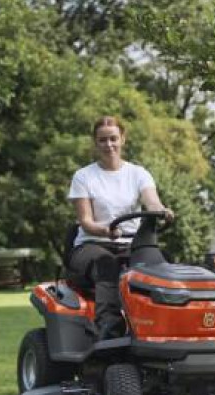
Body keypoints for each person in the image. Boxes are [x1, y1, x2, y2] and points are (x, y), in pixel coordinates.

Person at [67, 116, 174, 340]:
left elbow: (152, 201)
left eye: (113, 139)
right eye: (103, 140)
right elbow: (86, 221)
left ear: (122, 139)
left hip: (130, 244)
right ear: (95, 142)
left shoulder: (138, 174)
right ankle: (109, 329)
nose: (109, 145)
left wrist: (161, 210)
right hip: (92, 244)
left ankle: (163, 326)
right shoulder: (83, 177)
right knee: (107, 264)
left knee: (162, 263)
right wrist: (105, 230)